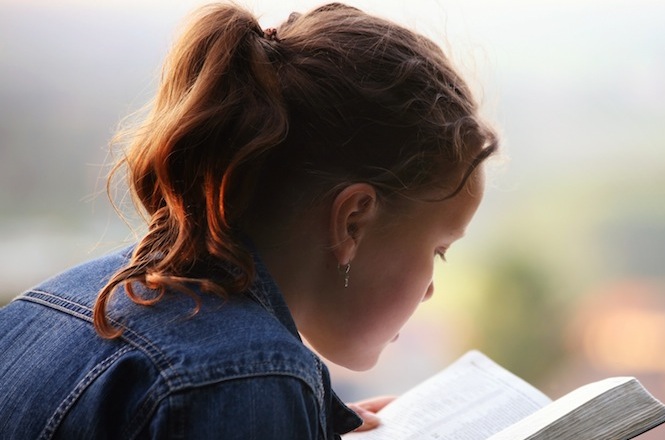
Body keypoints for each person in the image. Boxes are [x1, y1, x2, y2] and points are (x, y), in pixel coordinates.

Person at [0, 2, 497, 439]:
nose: (431, 289)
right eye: (438, 249)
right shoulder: (244, 379)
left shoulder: (49, 305)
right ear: (353, 222)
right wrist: (262, 403)